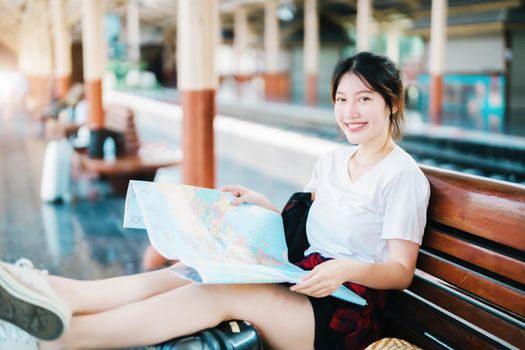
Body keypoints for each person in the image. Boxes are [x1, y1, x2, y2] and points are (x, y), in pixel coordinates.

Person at [0, 52, 430, 350]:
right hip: (300, 278)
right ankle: (54, 293)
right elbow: (306, 223)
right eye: (342, 99)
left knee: (216, 293)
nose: (350, 111)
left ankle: (55, 339)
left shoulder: (402, 177)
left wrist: (346, 268)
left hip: (344, 312)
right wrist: (263, 204)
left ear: (391, 104)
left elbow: (400, 272)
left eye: (364, 99)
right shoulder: (334, 160)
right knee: (186, 271)